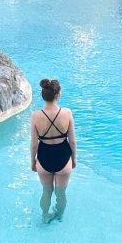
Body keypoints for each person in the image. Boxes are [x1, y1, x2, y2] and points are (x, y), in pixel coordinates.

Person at [30, 78, 75, 223]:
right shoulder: (67, 113)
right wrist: (73, 159)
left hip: (44, 157)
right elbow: (73, 141)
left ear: (43, 95)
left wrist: (33, 162)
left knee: (46, 191)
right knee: (61, 193)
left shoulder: (36, 116)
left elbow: (33, 144)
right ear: (57, 95)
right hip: (63, 156)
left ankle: (45, 217)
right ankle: (59, 217)